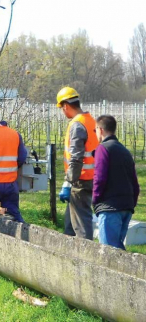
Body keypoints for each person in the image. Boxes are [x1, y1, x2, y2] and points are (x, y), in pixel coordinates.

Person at [56, 87, 98, 240]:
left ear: (66, 106)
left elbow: (76, 158)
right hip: (93, 176)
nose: (63, 112)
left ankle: (86, 254)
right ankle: (68, 249)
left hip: (81, 180)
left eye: (62, 108)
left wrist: (68, 182)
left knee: (81, 222)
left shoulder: (77, 125)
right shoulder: (91, 120)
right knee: (71, 220)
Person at [93, 115, 140, 250]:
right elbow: (134, 182)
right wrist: (131, 203)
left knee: (109, 252)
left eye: (95, 130)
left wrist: (95, 199)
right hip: (126, 206)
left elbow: (99, 178)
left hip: (110, 207)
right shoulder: (124, 151)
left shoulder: (103, 149)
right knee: (118, 249)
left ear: (100, 130)